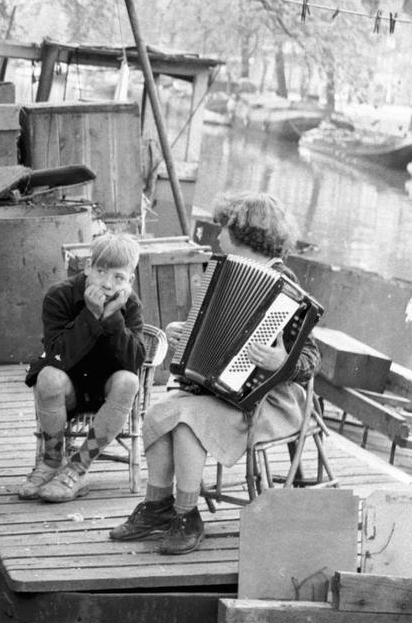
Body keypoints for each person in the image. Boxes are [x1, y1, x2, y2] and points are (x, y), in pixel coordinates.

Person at [109, 192, 320, 555]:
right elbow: (212, 331)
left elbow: (312, 359)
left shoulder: (286, 285)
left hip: (269, 400)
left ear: (244, 236)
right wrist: (184, 333)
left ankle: (187, 515)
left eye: (224, 228)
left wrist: (279, 362)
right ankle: (158, 507)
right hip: (219, 393)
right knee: (160, 413)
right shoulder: (223, 270)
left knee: (189, 422)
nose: (218, 236)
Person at [18, 232, 146, 503]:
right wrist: (90, 315)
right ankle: (52, 460)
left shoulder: (130, 304)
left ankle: (77, 467)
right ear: (88, 267)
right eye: (101, 272)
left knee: (129, 381)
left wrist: (112, 319)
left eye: (119, 278)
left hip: (106, 393)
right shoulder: (59, 296)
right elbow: (57, 357)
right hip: (69, 388)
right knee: (49, 376)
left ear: (130, 281)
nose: (108, 284)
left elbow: (134, 362)